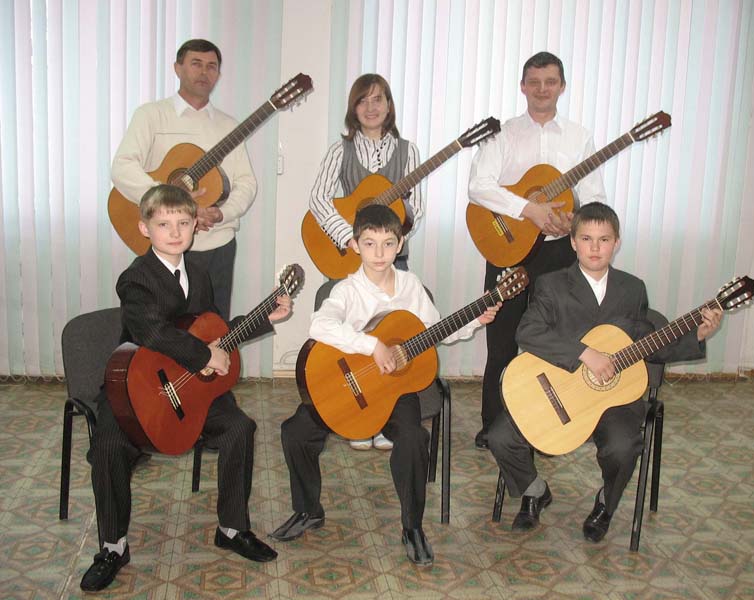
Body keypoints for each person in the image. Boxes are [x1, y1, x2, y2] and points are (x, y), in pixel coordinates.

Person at [80, 185, 291, 592]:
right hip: (137, 390)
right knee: (108, 446)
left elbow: (212, 330)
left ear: (196, 225)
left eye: (183, 223)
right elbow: (153, 332)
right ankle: (112, 547)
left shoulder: (200, 272)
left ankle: (232, 529)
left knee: (239, 428)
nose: (175, 232)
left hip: (190, 388)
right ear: (145, 228)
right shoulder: (136, 279)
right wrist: (204, 355)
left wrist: (265, 318)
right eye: (164, 224)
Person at [271, 204, 500, 566]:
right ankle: (307, 509)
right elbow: (320, 325)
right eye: (370, 243)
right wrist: (372, 346)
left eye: (388, 244)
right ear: (355, 245)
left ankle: (412, 527)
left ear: (400, 244)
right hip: (349, 386)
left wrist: (475, 319)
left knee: (413, 439)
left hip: (396, 390)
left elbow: (435, 330)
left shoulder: (411, 286)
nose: (379, 253)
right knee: (295, 432)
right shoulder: (346, 290)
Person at [487, 202, 723, 542]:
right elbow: (528, 332)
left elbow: (649, 343)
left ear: (616, 243)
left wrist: (696, 335)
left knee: (623, 447)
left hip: (613, 399)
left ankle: (605, 503)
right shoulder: (551, 284)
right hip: (558, 388)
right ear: (573, 242)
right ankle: (534, 490)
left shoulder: (632, 288)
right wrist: (585, 354)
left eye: (604, 239)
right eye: (586, 239)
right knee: (500, 437)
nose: (595, 247)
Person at [468, 51, 606, 450]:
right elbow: (478, 186)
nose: (542, 89)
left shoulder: (580, 138)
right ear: (522, 86)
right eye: (534, 82)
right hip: (507, 246)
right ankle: (494, 427)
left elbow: (595, 197)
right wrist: (529, 209)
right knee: (502, 341)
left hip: (559, 253)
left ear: (562, 86)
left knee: (555, 340)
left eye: (550, 82)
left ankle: (547, 425)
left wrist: (573, 221)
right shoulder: (503, 134)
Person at [310, 73, 424, 451]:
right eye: (363, 100)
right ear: (353, 108)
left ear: (389, 105)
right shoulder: (339, 151)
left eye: (379, 99)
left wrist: (393, 224)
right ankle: (355, 414)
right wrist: (349, 237)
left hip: (390, 259)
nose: (371, 107)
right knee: (352, 330)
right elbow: (318, 199)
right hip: (350, 255)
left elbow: (417, 208)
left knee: (394, 335)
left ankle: (385, 414)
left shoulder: (408, 152)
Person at [112, 38, 256, 320]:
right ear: (177, 68)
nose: (204, 72)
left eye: (211, 66)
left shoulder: (229, 126)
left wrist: (221, 213)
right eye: (196, 64)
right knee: (161, 327)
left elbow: (246, 183)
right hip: (164, 244)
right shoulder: (151, 115)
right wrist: (171, 203)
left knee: (214, 327)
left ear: (218, 74)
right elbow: (122, 166)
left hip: (217, 245)